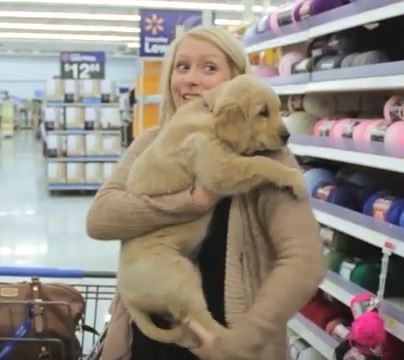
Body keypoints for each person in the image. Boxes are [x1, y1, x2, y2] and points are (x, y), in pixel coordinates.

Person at [86, 25, 325, 360]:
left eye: (209, 68)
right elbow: (100, 218)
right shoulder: (153, 141)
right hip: (148, 344)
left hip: (224, 346)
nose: (190, 79)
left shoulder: (269, 159)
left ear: (239, 80)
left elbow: (305, 261)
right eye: (181, 67)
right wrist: (190, 202)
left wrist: (244, 339)